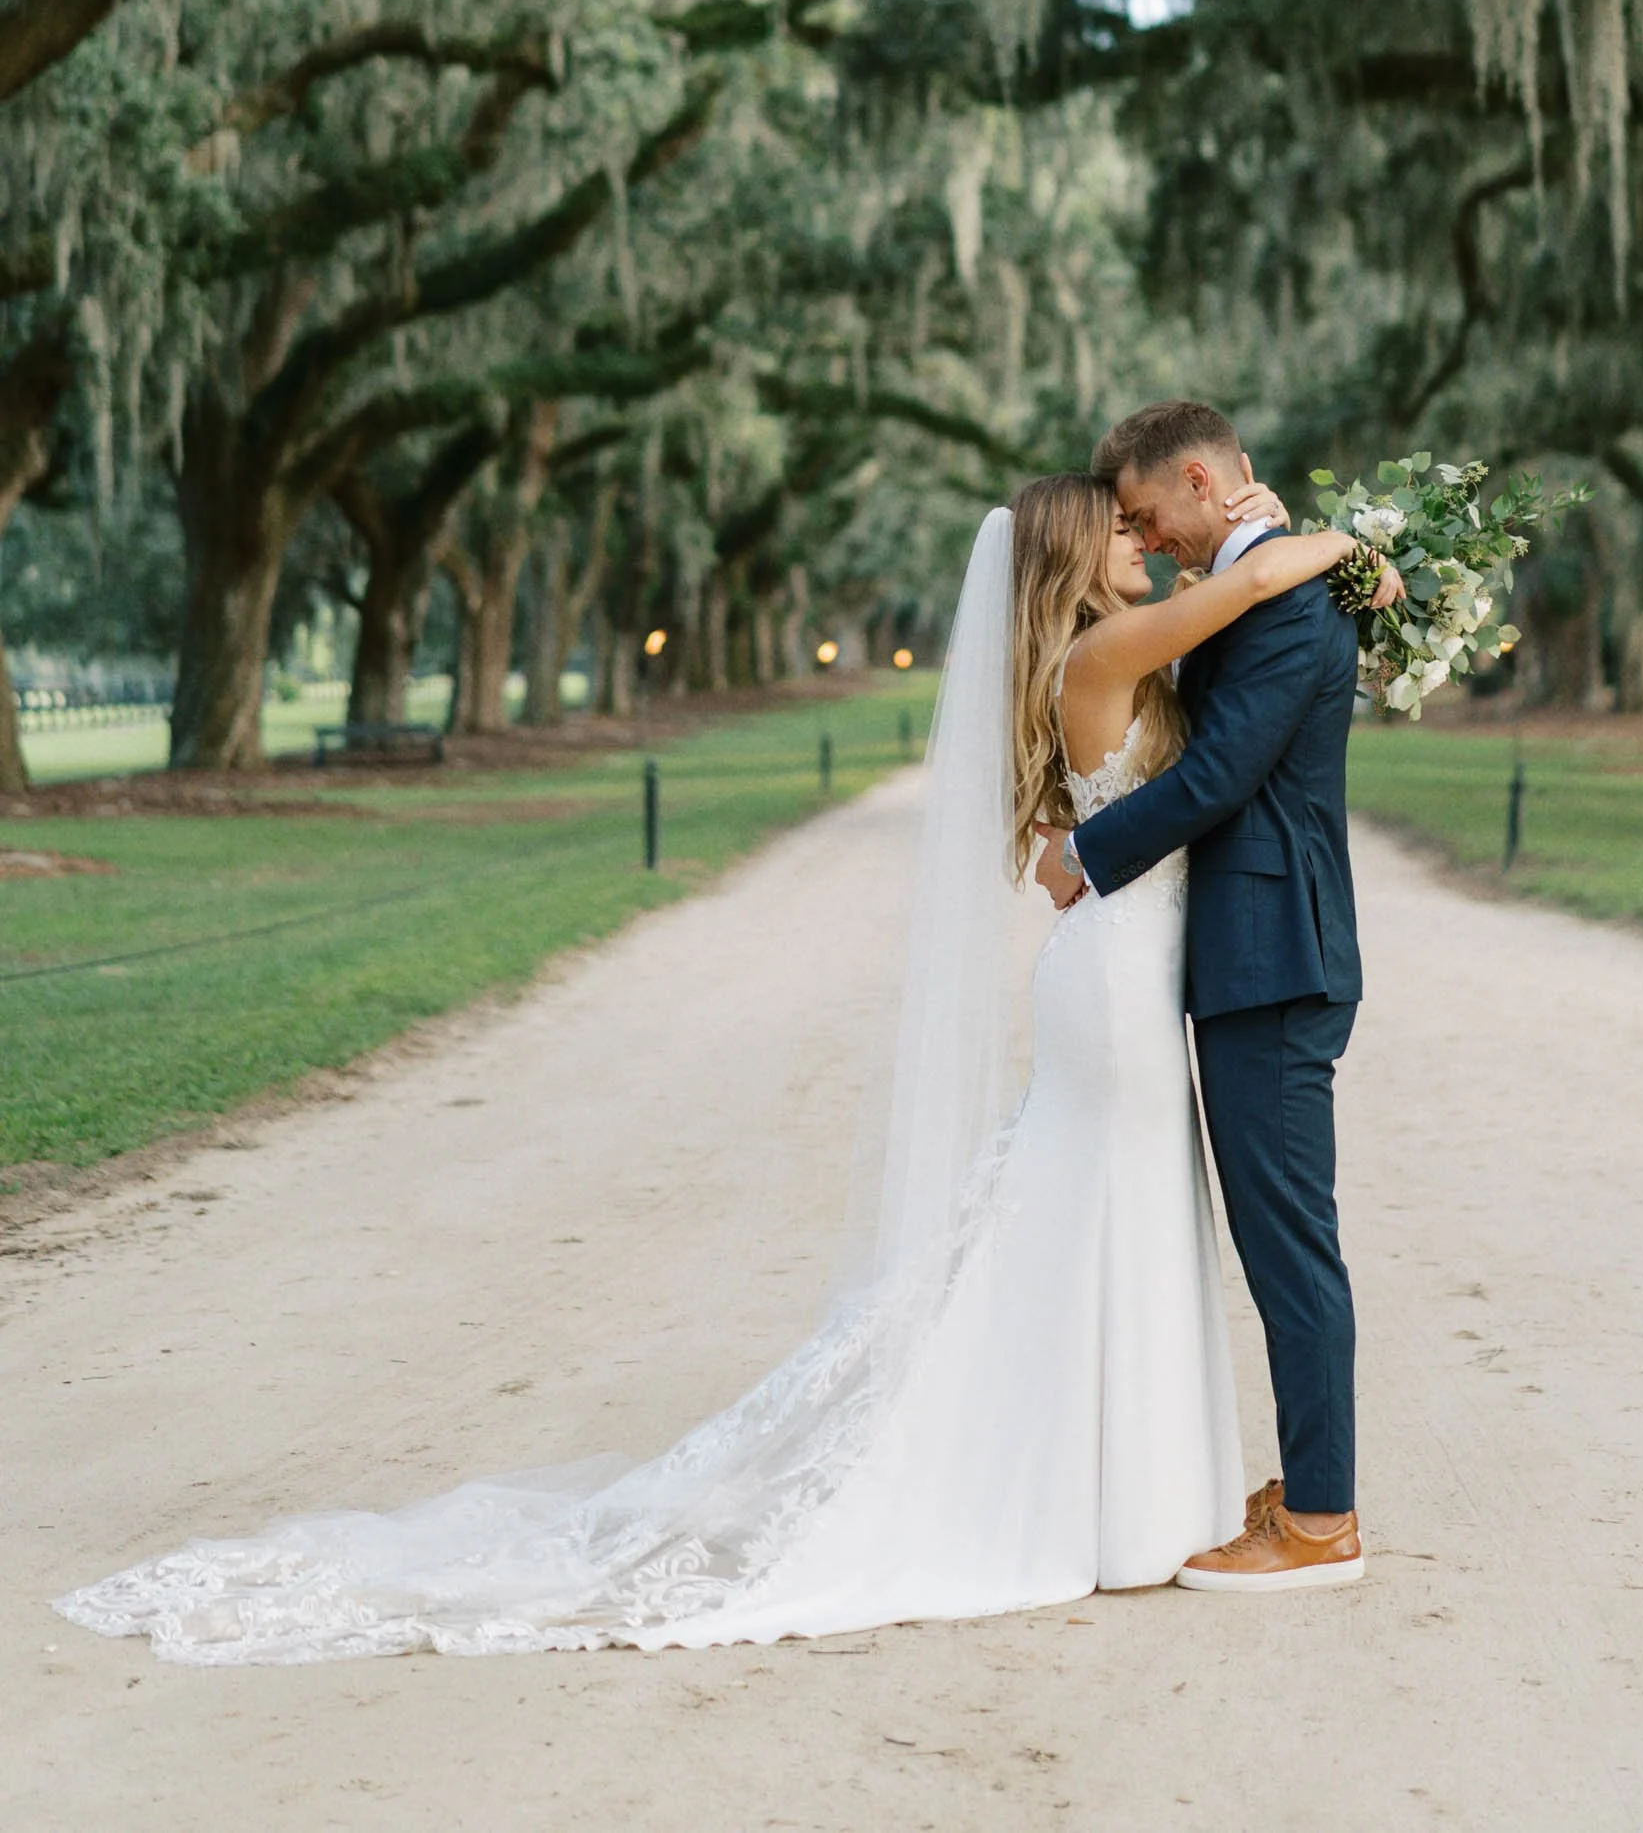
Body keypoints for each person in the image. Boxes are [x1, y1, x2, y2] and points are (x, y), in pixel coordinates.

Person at [56, 469, 1375, 1664]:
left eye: (1148, 520)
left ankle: (1138, 1495)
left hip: (1137, 968)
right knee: (1112, 1202)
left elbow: (1222, 683)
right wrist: (1361, 540)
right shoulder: (1100, 651)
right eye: (1124, 528)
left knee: (1127, 1211)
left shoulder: (1112, 655)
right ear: (1076, 560)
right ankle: (1125, 1496)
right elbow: (1252, 585)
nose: (1143, 540)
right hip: (1118, 978)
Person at [1035, 400, 1402, 1592]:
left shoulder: (1283, 598)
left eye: (1148, 516)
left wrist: (1084, 859)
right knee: (1269, 1235)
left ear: (1199, 479)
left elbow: (1216, 774)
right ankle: (1306, 1490)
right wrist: (1328, 545)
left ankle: (1319, 1523)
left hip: (1273, 958)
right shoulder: (1260, 575)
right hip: (1243, 956)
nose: (1150, 541)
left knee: (1289, 1244)